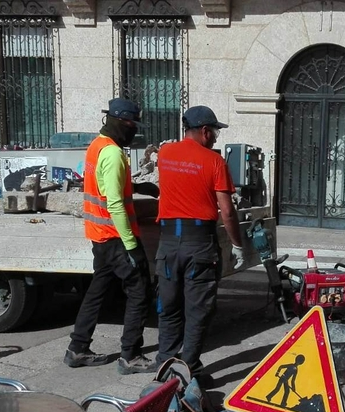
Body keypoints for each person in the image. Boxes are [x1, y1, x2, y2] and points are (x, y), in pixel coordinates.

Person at [154, 105, 246, 384]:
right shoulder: (214, 162)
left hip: (168, 243)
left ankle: (165, 368)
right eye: (215, 131)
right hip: (199, 245)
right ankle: (189, 368)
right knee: (197, 310)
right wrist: (237, 246)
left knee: (168, 308)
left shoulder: (165, 154)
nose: (217, 137)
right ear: (205, 131)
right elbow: (227, 212)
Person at [64, 98, 156, 374]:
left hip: (99, 236)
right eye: (133, 125)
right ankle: (131, 355)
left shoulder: (97, 146)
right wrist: (132, 245)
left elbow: (104, 186)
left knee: (97, 292)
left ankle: (77, 348)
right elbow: (114, 203)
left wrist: (138, 185)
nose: (134, 132)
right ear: (123, 123)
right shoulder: (114, 153)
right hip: (116, 237)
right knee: (140, 291)